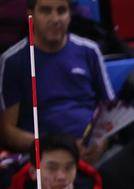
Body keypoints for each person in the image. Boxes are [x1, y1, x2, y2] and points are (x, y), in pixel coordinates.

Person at [0, 0, 113, 159]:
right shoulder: (13, 61)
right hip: (42, 156)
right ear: (30, 14)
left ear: (70, 14)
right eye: (46, 11)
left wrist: (102, 142)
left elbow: (110, 111)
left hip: (91, 152)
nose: (55, 19)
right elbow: (8, 132)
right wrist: (59, 148)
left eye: (61, 11)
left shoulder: (90, 51)